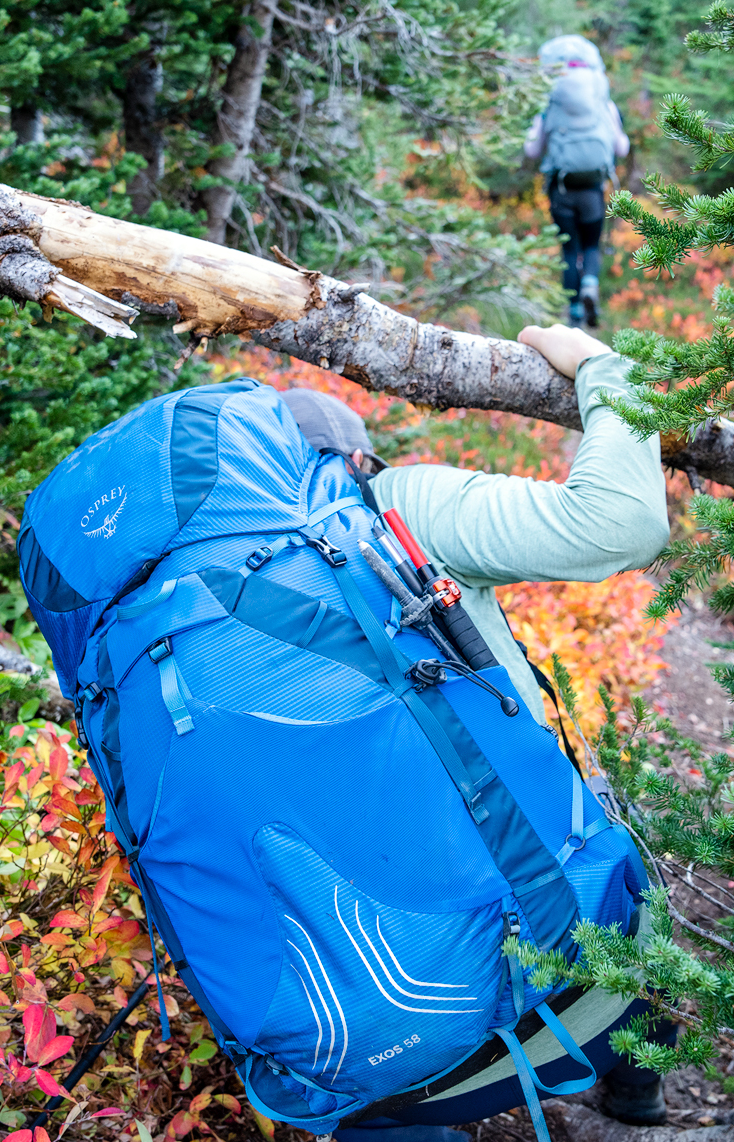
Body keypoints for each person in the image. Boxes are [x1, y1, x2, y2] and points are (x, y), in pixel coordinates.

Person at [278, 322, 673, 1141]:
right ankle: (632, 1089)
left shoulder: (186, 609)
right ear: (354, 463)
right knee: (622, 861)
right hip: (550, 954)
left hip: (348, 1022)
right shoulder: (394, 509)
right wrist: (606, 367)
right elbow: (622, 523)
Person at [524, 36, 630, 329]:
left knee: (570, 250)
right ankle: (590, 286)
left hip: (562, 190)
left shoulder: (550, 105)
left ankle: (574, 314)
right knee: (592, 246)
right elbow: (621, 148)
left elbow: (532, 150)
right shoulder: (603, 105)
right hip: (593, 191)